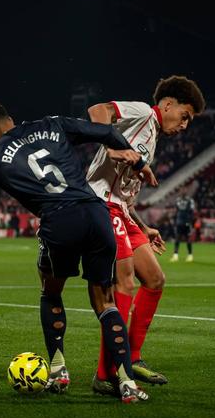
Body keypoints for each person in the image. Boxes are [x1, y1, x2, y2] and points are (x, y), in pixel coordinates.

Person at [0, 102, 157, 403]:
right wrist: (139, 162)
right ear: (10, 119)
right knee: (106, 302)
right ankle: (127, 383)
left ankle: (59, 370)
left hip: (59, 221)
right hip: (96, 215)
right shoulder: (52, 123)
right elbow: (105, 131)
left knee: (51, 292)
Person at [86, 75, 206, 392]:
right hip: (101, 205)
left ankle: (132, 357)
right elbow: (98, 110)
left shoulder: (151, 137)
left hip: (122, 212)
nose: (184, 125)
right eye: (184, 116)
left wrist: (143, 226)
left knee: (154, 279)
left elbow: (125, 195)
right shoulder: (142, 112)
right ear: (167, 105)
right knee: (124, 282)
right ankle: (106, 374)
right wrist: (111, 145)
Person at [170, 192, 196, 262]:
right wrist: (174, 219)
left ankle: (190, 255)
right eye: (182, 189)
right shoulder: (178, 200)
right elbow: (176, 211)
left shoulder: (190, 201)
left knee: (188, 238)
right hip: (179, 222)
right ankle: (175, 255)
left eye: (185, 189)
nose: (183, 191)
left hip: (187, 222)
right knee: (177, 238)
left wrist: (191, 222)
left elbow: (192, 212)